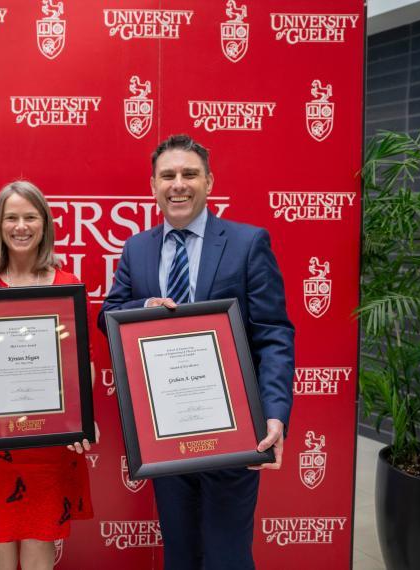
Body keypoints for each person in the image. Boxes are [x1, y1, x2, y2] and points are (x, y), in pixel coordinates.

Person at [98, 134, 294, 569]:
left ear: (209, 182)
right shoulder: (137, 248)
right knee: (180, 554)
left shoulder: (247, 243)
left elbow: (274, 333)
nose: (178, 184)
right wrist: (142, 308)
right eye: (168, 175)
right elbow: (108, 315)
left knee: (228, 557)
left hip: (236, 431)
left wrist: (275, 414)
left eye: (189, 174)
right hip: (165, 435)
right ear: (153, 186)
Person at [0, 181, 93, 570]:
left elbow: (82, 365)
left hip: (48, 437)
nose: (20, 226)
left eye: (30, 216)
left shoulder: (66, 284)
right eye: (11, 217)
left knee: (42, 547)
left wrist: (81, 419)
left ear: (44, 224)